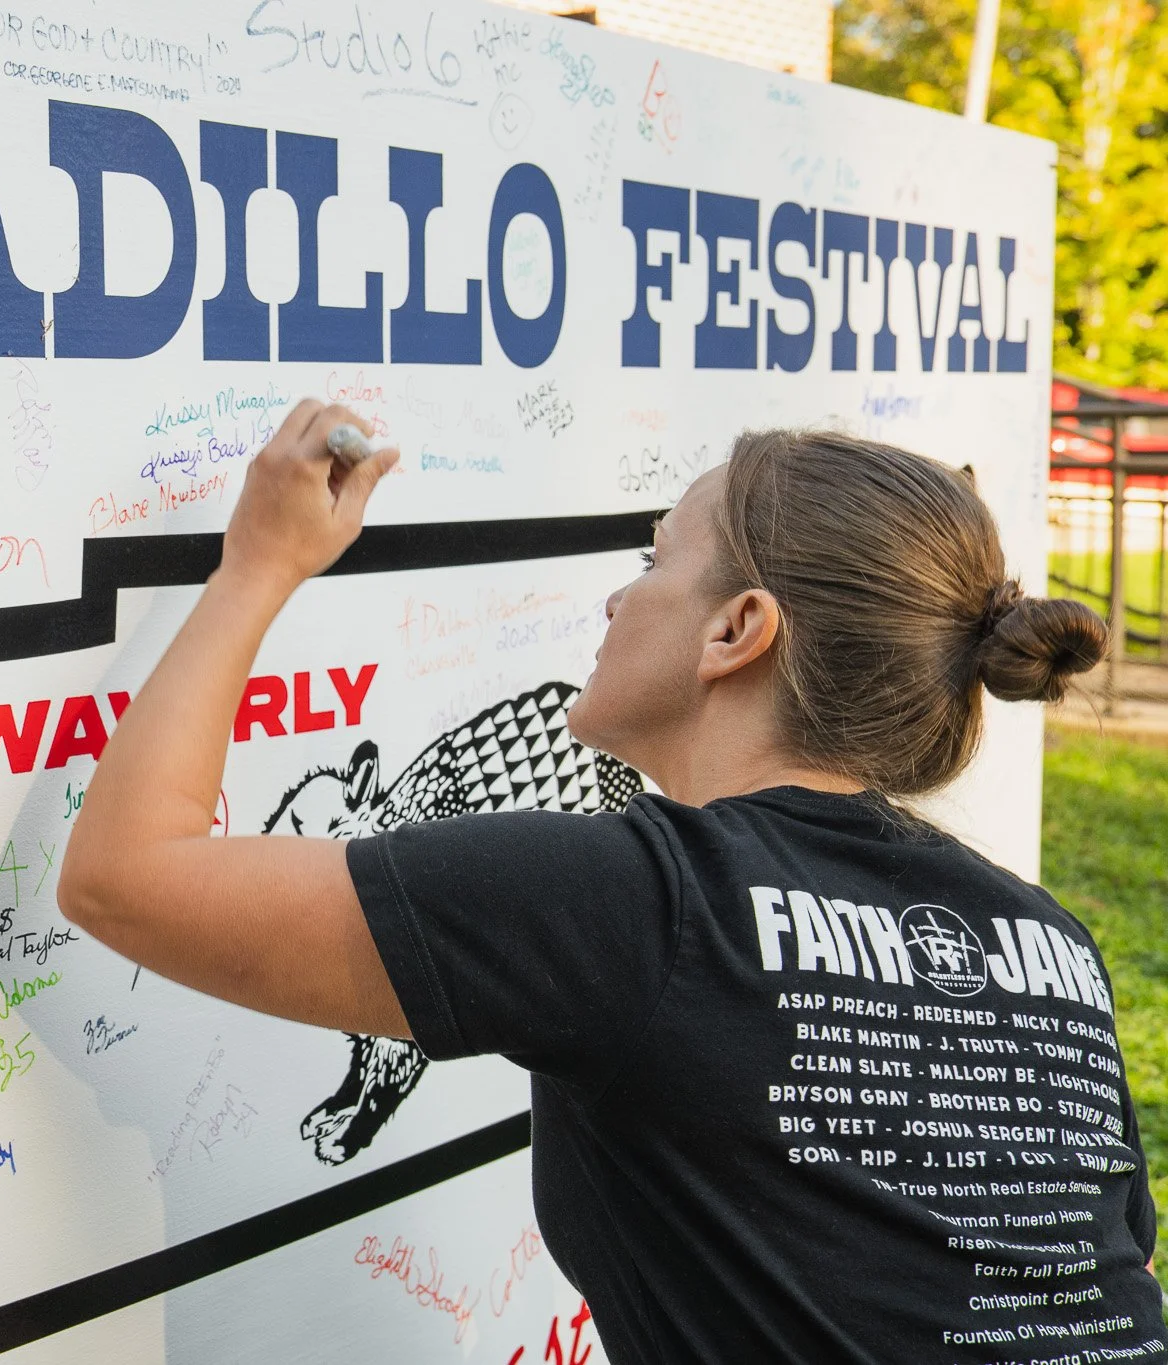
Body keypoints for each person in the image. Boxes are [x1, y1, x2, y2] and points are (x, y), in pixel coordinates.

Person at [56, 401, 1163, 1363]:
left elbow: (124, 877)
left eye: (652, 563)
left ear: (736, 631)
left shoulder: (637, 901)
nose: (613, 603)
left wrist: (257, 561)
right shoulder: (1043, 939)